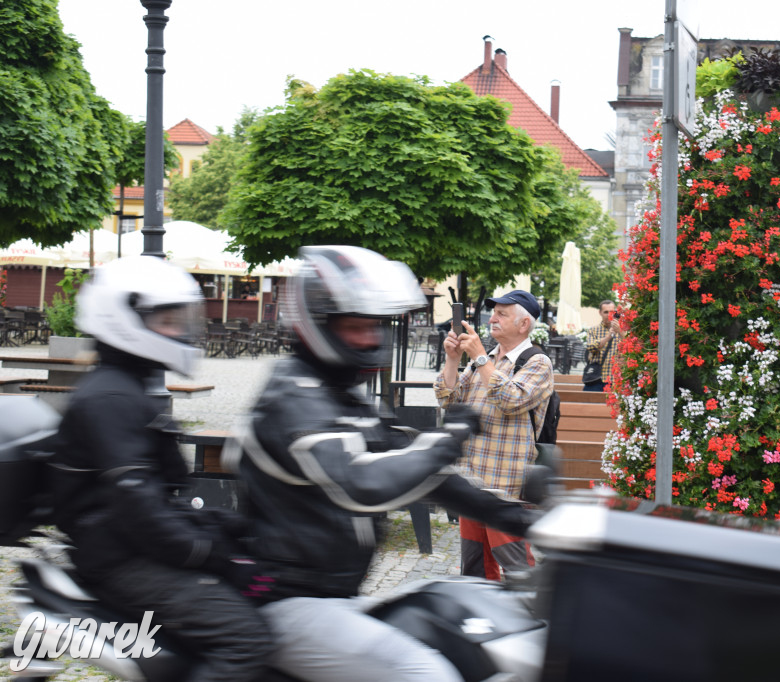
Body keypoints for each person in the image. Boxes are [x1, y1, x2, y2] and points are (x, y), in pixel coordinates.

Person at [229, 246, 537, 682]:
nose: (369, 339)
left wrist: (531, 521)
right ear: (317, 323)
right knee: (425, 672)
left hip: (336, 596)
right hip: (290, 600)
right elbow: (360, 482)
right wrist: (449, 438)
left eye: (373, 326)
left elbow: (426, 474)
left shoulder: (342, 395)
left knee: (467, 619)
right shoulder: (292, 398)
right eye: (355, 327)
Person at [51, 256, 273, 682]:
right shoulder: (110, 399)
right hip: (119, 558)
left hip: (131, 542)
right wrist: (218, 557)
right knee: (245, 639)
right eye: (167, 321)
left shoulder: (129, 387)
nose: (180, 331)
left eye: (180, 319)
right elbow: (138, 506)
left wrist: (233, 527)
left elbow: (158, 494)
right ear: (122, 318)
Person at [434, 289, 553, 581]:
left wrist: (478, 357)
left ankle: (530, 620)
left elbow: (510, 400)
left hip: (505, 486)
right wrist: (452, 359)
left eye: (502, 313)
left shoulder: (537, 362)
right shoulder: (485, 359)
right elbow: (448, 399)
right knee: (474, 569)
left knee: (517, 570)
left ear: (523, 324)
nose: (493, 318)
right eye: (494, 312)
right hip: (472, 481)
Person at [583, 300, 624, 392]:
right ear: (600, 313)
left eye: (612, 312)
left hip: (616, 379)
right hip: (596, 378)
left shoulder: (623, 329)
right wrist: (608, 337)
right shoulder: (593, 330)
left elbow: (631, 347)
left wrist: (620, 331)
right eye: (606, 312)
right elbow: (591, 347)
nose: (609, 315)